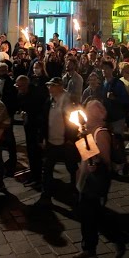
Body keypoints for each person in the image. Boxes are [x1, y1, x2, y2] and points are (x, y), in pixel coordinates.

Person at [72, 99, 127, 258]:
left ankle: (90, 249)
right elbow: (86, 156)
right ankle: (116, 238)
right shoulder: (88, 131)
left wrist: (94, 162)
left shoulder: (101, 132)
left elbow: (104, 161)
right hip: (87, 180)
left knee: (90, 216)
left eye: (89, 111)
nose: (85, 114)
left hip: (97, 181)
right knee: (95, 215)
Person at [39, 78, 80, 206]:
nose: (50, 89)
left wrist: (70, 139)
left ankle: (76, 189)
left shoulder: (67, 100)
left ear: (60, 87)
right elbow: (44, 120)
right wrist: (43, 137)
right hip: (52, 141)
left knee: (72, 167)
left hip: (65, 142)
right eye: (49, 86)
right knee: (47, 168)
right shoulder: (49, 101)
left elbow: (73, 121)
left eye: (52, 86)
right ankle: (46, 194)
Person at [11, 75, 48, 189]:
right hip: (29, 126)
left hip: (36, 128)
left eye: (20, 86)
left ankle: (38, 178)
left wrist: (29, 115)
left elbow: (41, 113)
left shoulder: (36, 95)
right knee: (31, 152)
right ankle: (34, 175)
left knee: (36, 153)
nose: (18, 88)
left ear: (26, 85)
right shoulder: (21, 94)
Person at [101, 60, 129, 176]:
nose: (104, 71)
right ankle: (114, 165)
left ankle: (123, 165)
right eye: (103, 69)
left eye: (106, 68)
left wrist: (115, 98)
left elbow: (126, 100)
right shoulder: (103, 83)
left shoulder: (117, 84)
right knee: (110, 143)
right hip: (107, 117)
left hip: (117, 117)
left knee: (118, 141)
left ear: (111, 70)